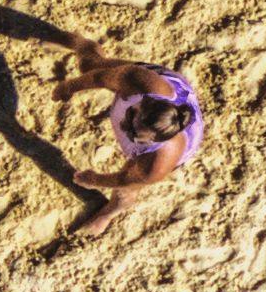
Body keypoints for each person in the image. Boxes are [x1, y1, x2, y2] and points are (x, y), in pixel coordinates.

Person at [38, 33, 205, 252]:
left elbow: (124, 179)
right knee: (91, 65)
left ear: (154, 142)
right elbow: (100, 78)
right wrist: (69, 87)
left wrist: (96, 179)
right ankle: (84, 44)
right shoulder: (142, 83)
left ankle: (108, 213)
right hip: (166, 85)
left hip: (163, 149)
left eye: (135, 135)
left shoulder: (155, 163)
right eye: (130, 116)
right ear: (145, 101)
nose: (126, 128)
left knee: (126, 192)